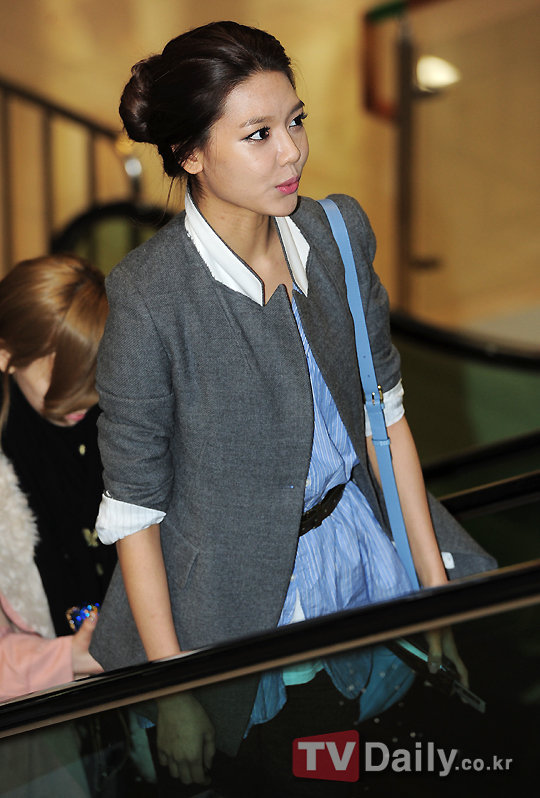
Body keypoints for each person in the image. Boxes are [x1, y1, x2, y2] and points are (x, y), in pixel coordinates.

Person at [90, 20, 495, 796]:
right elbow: (135, 508)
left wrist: (434, 592)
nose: (292, 153)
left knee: (384, 762)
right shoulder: (148, 294)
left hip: (362, 557)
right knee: (301, 770)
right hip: (237, 604)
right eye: (259, 134)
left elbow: (385, 420)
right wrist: (172, 687)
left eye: (296, 121)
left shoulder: (335, 231)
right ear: (190, 154)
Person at [0, 254, 114, 699]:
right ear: (7, 354)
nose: (83, 394)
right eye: (60, 372)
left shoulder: (127, 424)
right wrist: (66, 659)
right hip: (44, 722)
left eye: (93, 367)